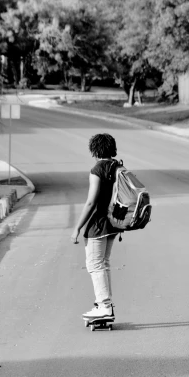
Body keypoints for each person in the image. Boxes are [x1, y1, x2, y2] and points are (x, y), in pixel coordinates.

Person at [71, 133, 121, 321]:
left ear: (95, 150)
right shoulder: (117, 166)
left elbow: (91, 202)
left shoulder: (97, 169)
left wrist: (77, 227)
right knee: (103, 263)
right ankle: (105, 304)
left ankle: (104, 306)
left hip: (99, 224)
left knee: (95, 264)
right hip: (114, 223)